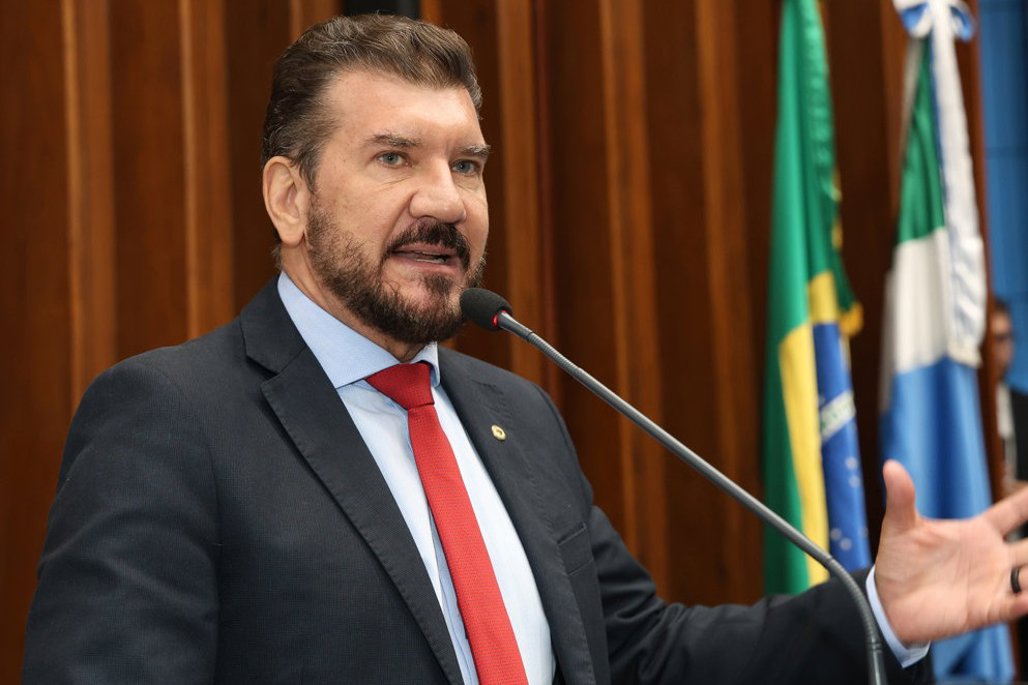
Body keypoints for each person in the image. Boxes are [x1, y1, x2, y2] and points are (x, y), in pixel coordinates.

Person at [22, 14, 1028, 685]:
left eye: (467, 165)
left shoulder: (516, 416)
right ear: (290, 198)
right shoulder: (170, 420)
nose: (446, 201)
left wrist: (879, 612)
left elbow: (645, 658)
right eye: (393, 158)